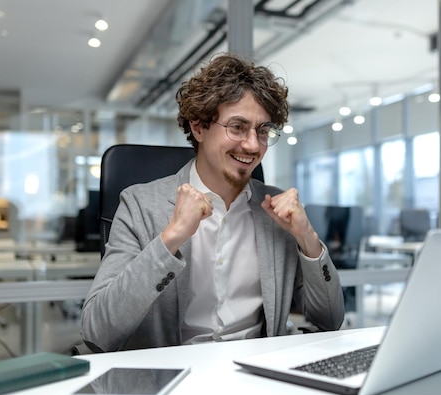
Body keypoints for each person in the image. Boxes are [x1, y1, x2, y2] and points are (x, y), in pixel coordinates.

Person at [81, 53, 345, 352]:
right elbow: (97, 331)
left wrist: (307, 238)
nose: (253, 145)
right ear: (199, 127)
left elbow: (331, 320)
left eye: (262, 130)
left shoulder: (278, 210)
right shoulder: (139, 204)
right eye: (237, 127)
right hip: (170, 379)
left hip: (258, 379)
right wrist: (171, 238)